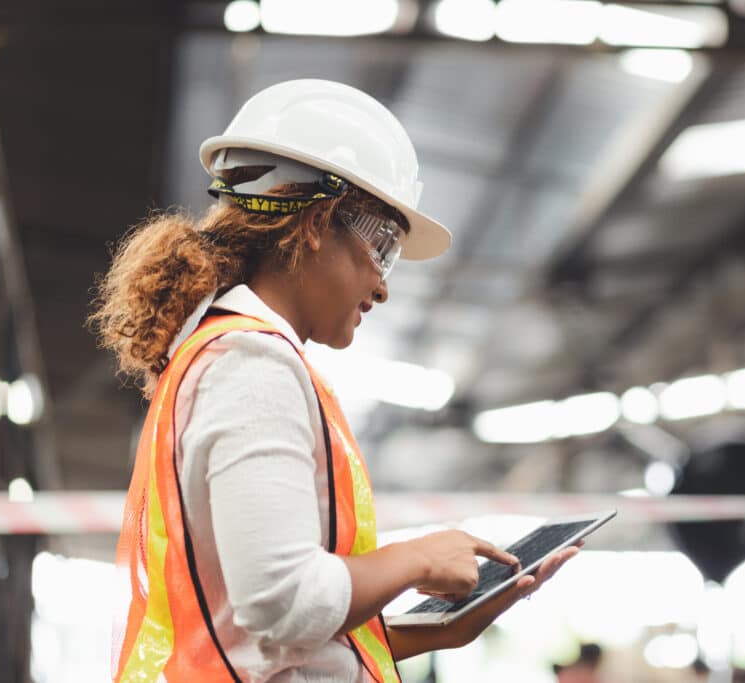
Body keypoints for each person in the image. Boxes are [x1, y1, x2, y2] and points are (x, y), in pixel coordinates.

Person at [89, 79, 579, 682]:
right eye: (382, 245)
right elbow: (283, 603)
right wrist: (418, 558)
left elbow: (252, 636)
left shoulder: (223, 354)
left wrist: (437, 632)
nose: (382, 286)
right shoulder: (251, 363)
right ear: (318, 221)